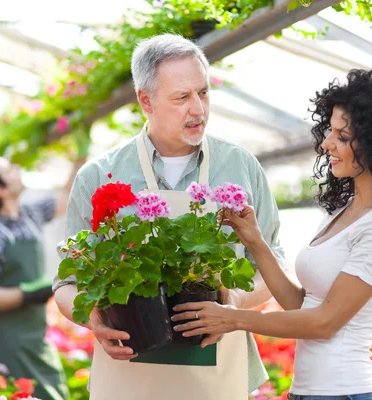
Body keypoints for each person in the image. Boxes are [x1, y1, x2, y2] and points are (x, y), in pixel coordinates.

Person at [172, 68, 372, 400]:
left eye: (342, 136)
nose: (327, 143)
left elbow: (324, 323)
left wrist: (233, 319)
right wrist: (256, 243)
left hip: (346, 393)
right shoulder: (344, 211)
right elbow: (301, 305)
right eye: (330, 131)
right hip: (307, 393)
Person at [52, 33, 286, 400]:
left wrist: (235, 303)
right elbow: (66, 282)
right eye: (182, 97)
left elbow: (274, 263)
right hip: (128, 376)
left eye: (204, 93)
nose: (199, 109)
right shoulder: (98, 175)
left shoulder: (240, 167)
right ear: (145, 100)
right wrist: (92, 318)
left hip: (217, 375)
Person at [0, 156, 84, 400]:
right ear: (1, 190)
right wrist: (27, 294)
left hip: (35, 336)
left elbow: (65, 200)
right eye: (9, 170)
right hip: (5, 343)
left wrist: (79, 158)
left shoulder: (30, 215)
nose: (17, 169)